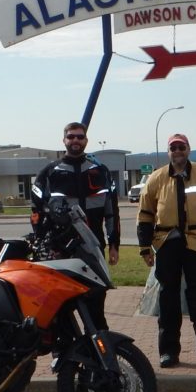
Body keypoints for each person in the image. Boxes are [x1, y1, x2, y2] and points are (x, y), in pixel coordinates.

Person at [137, 133, 196, 368]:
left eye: (182, 147)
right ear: (168, 152)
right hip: (167, 244)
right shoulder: (156, 179)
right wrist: (144, 247)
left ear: (188, 149)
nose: (177, 151)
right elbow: (145, 215)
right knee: (168, 298)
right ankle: (168, 352)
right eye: (173, 147)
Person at [31, 121, 120, 329]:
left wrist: (114, 244)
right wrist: (43, 244)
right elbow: (35, 212)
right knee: (61, 309)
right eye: (71, 137)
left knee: (96, 304)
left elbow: (112, 212)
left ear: (86, 140)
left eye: (80, 136)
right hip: (60, 251)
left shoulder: (101, 172)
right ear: (64, 140)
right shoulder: (49, 173)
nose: (75, 140)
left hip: (93, 248)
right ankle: (64, 356)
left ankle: (99, 353)